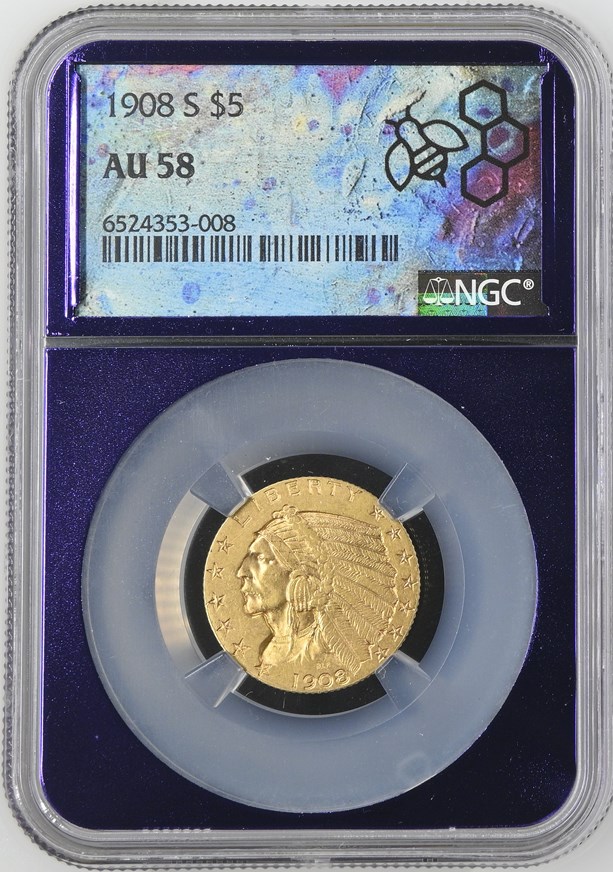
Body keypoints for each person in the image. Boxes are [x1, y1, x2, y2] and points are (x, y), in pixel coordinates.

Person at [237, 504, 397, 673]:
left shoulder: (318, 650)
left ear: (300, 574)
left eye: (260, 558)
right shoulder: (272, 650)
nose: (241, 572)